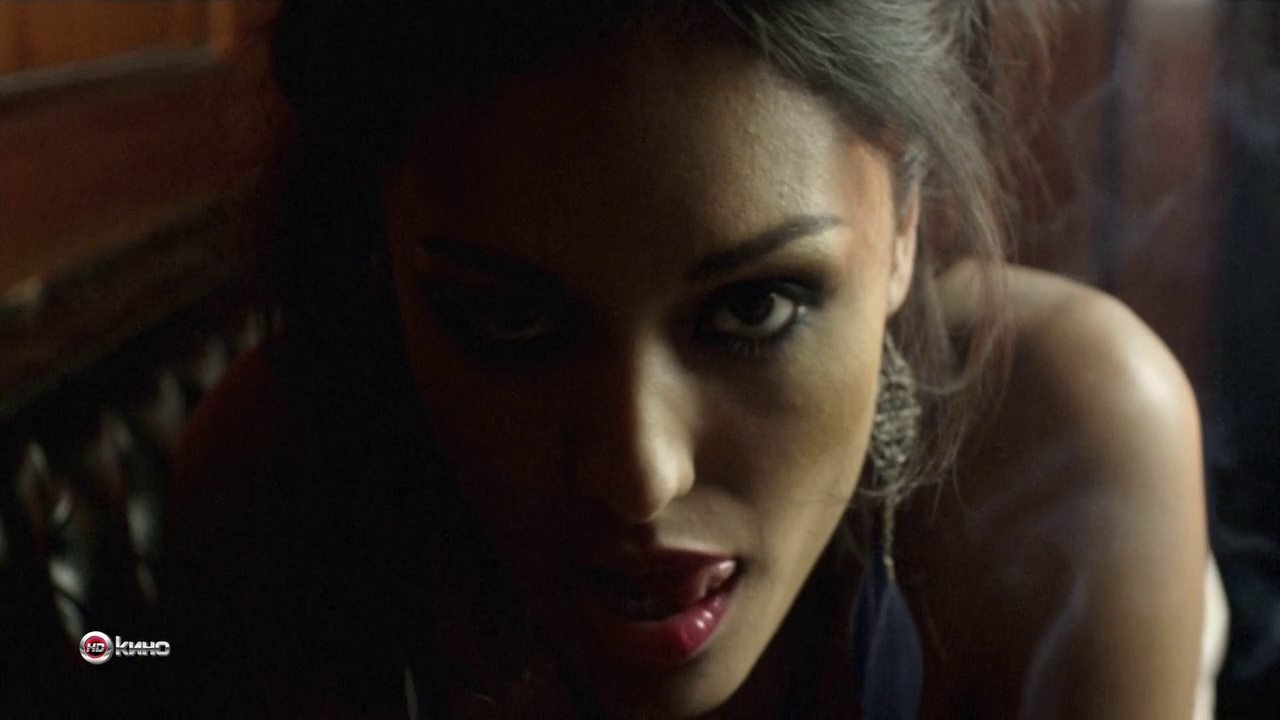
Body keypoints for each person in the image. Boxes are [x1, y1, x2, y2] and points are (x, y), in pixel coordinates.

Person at [161, 1, 1216, 717]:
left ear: (904, 220)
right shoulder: (273, 492)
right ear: (379, 247)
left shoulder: (1067, 438)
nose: (641, 475)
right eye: (510, 323)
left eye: (753, 308)